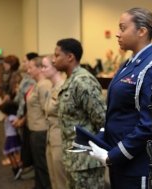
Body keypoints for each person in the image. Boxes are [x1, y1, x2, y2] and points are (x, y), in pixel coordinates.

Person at [88, 7, 152, 189]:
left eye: (122, 28)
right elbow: (118, 112)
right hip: (120, 161)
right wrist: (99, 138)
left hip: (137, 164)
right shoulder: (129, 64)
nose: (117, 34)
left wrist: (115, 155)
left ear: (141, 31)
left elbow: (150, 125)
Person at [53, 38, 106, 188]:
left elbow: (102, 119)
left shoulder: (83, 81)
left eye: (57, 55)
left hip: (86, 162)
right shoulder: (71, 80)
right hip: (73, 160)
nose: (53, 60)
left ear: (70, 57)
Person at [41, 55, 67, 189]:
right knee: (53, 180)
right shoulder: (52, 87)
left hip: (60, 140)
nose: (42, 70)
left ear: (55, 67)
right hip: (51, 138)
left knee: (61, 182)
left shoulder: (63, 87)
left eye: (45, 66)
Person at [26, 56, 52, 189]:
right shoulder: (37, 84)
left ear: (40, 68)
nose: (28, 70)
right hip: (34, 130)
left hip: (41, 132)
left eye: (31, 67)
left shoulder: (45, 85)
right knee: (38, 164)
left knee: (43, 166)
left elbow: (48, 110)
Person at [12, 52, 38, 178]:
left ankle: (31, 169)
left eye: (25, 61)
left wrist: (22, 119)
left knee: (31, 147)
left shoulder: (34, 80)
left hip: (29, 119)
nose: (23, 64)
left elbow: (31, 105)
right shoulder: (26, 78)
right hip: (23, 116)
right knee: (26, 145)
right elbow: (20, 100)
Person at [0, 100, 22, 179]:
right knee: (12, 153)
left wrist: (15, 124)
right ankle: (16, 167)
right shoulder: (9, 116)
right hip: (11, 136)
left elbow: (15, 124)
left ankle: (16, 168)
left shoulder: (11, 117)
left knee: (10, 153)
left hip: (11, 137)